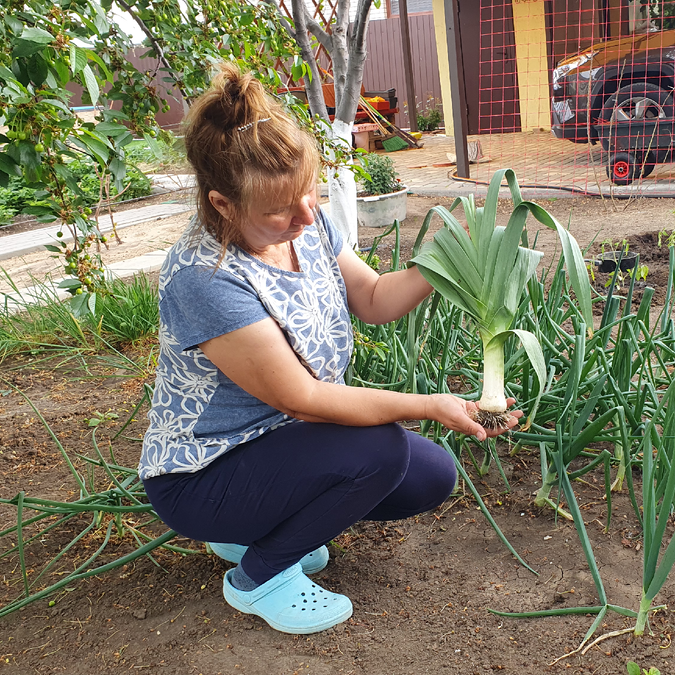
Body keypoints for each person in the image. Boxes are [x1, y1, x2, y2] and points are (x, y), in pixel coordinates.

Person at [137, 63, 520, 636]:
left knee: (430, 475)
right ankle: (258, 576)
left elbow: (370, 296)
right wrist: (427, 403)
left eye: (308, 194)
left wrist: (443, 261)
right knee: (383, 454)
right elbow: (304, 399)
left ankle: (255, 528)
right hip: (204, 472)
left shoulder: (306, 223)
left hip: (280, 444)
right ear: (221, 204)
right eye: (278, 211)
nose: (306, 216)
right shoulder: (204, 276)